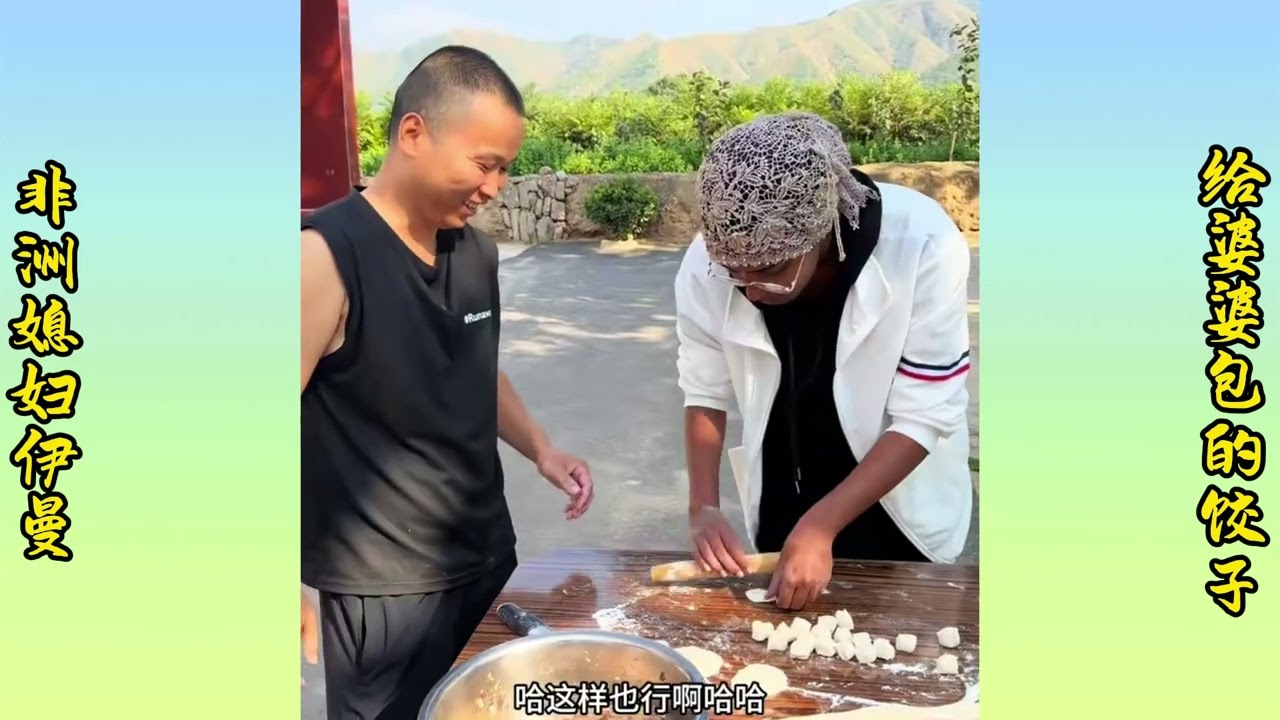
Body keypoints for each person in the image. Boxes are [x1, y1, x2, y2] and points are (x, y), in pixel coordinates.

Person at [299, 46, 594, 719]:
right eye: (484, 163)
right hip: (384, 592)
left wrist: (542, 449)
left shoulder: (477, 254)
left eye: (505, 169)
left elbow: (474, 367)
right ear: (413, 133)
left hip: (488, 553)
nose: (494, 186)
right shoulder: (325, 255)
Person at [675, 112, 972, 611]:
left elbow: (926, 411)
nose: (749, 290)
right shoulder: (711, 263)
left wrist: (822, 524)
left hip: (896, 502)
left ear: (822, 229)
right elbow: (704, 389)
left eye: (769, 271)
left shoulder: (922, 244)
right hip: (784, 497)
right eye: (733, 272)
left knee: (902, 640)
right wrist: (703, 505)